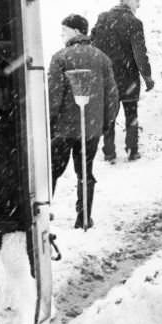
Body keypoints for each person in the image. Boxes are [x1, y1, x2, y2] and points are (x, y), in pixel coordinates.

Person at [47, 14, 119, 228]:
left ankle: (43, 214)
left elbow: (53, 95)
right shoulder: (102, 58)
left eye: (65, 30)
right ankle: (84, 216)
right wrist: (106, 122)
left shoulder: (60, 58)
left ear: (76, 31)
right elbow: (112, 94)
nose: (62, 34)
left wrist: (49, 122)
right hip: (91, 128)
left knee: (51, 171)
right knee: (85, 172)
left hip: (64, 129)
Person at [91, 0, 154, 162]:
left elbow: (93, 46)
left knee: (109, 115)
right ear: (127, 0)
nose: (138, 5)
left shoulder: (102, 18)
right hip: (128, 78)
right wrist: (147, 76)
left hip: (107, 78)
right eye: (136, 0)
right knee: (131, 113)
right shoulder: (134, 23)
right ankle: (132, 150)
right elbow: (140, 53)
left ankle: (109, 151)